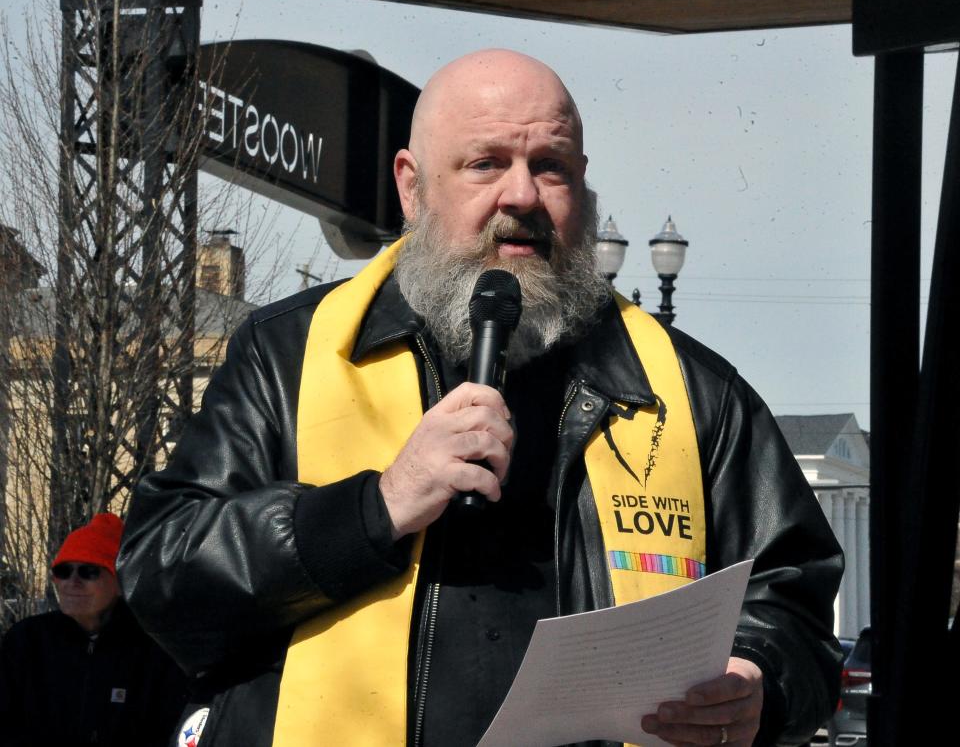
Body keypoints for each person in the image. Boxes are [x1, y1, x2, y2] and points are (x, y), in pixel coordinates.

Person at [118, 49, 843, 747]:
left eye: (549, 167)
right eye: (486, 164)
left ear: (582, 186)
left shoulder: (685, 389)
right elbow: (162, 576)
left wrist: (758, 685)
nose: (521, 195)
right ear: (412, 185)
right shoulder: (289, 355)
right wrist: (374, 508)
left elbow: (794, 604)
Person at [0, 513, 187, 747]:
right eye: (63, 571)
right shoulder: (26, 641)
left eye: (89, 571)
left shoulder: (154, 650)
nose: (73, 582)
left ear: (120, 583)